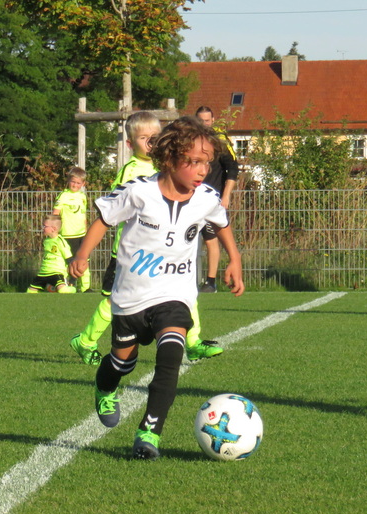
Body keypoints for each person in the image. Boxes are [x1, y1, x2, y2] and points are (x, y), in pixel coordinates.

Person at [69, 116, 244, 459]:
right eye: (194, 161)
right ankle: (105, 389)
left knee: (170, 358)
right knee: (122, 363)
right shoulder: (139, 191)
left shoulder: (206, 197)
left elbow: (221, 223)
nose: (202, 170)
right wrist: (83, 255)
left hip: (174, 295)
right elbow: (104, 219)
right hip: (131, 298)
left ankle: (149, 433)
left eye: (207, 162)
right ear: (170, 158)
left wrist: (234, 260)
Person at [69, 111, 224, 366]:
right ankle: (86, 340)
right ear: (130, 144)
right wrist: (83, 254)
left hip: (165, 250)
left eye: (155, 136)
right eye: (144, 138)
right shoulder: (132, 172)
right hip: (134, 254)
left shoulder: (167, 166)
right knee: (114, 301)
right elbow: (114, 210)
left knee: (182, 291)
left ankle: (192, 341)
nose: (151, 142)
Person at [196, 106, 239, 293]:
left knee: (210, 239)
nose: (204, 124)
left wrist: (226, 195)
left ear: (213, 121)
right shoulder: (191, 139)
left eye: (207, 120)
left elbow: (233, 169)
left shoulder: (219, 140)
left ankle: (210, 281)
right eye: (200, 120)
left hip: (211, 201)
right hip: (190, 198)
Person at [53, 167, 90, 292]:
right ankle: (67, 285)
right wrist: (54, 230)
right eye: (73, 182)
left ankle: (85, 287)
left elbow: (83, 215)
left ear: (83, 184)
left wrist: (86, 231)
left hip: (81, 234)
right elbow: (55, 214)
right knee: (69, 262)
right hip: (67, 234)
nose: (75, 185)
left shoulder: (82, 197)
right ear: (69, 181)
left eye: (78, 183)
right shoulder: (63, 196)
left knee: (84, 260)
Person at [27, 216, 76, 293]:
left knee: (62, 291)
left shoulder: (60, 241)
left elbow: (69, 259)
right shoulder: (46, 241)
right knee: (30, 292)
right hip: (43, 272)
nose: (43, 228)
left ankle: (72, 289)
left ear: (53, 229)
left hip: (56, 272)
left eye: (45, 226)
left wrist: (71, 276)